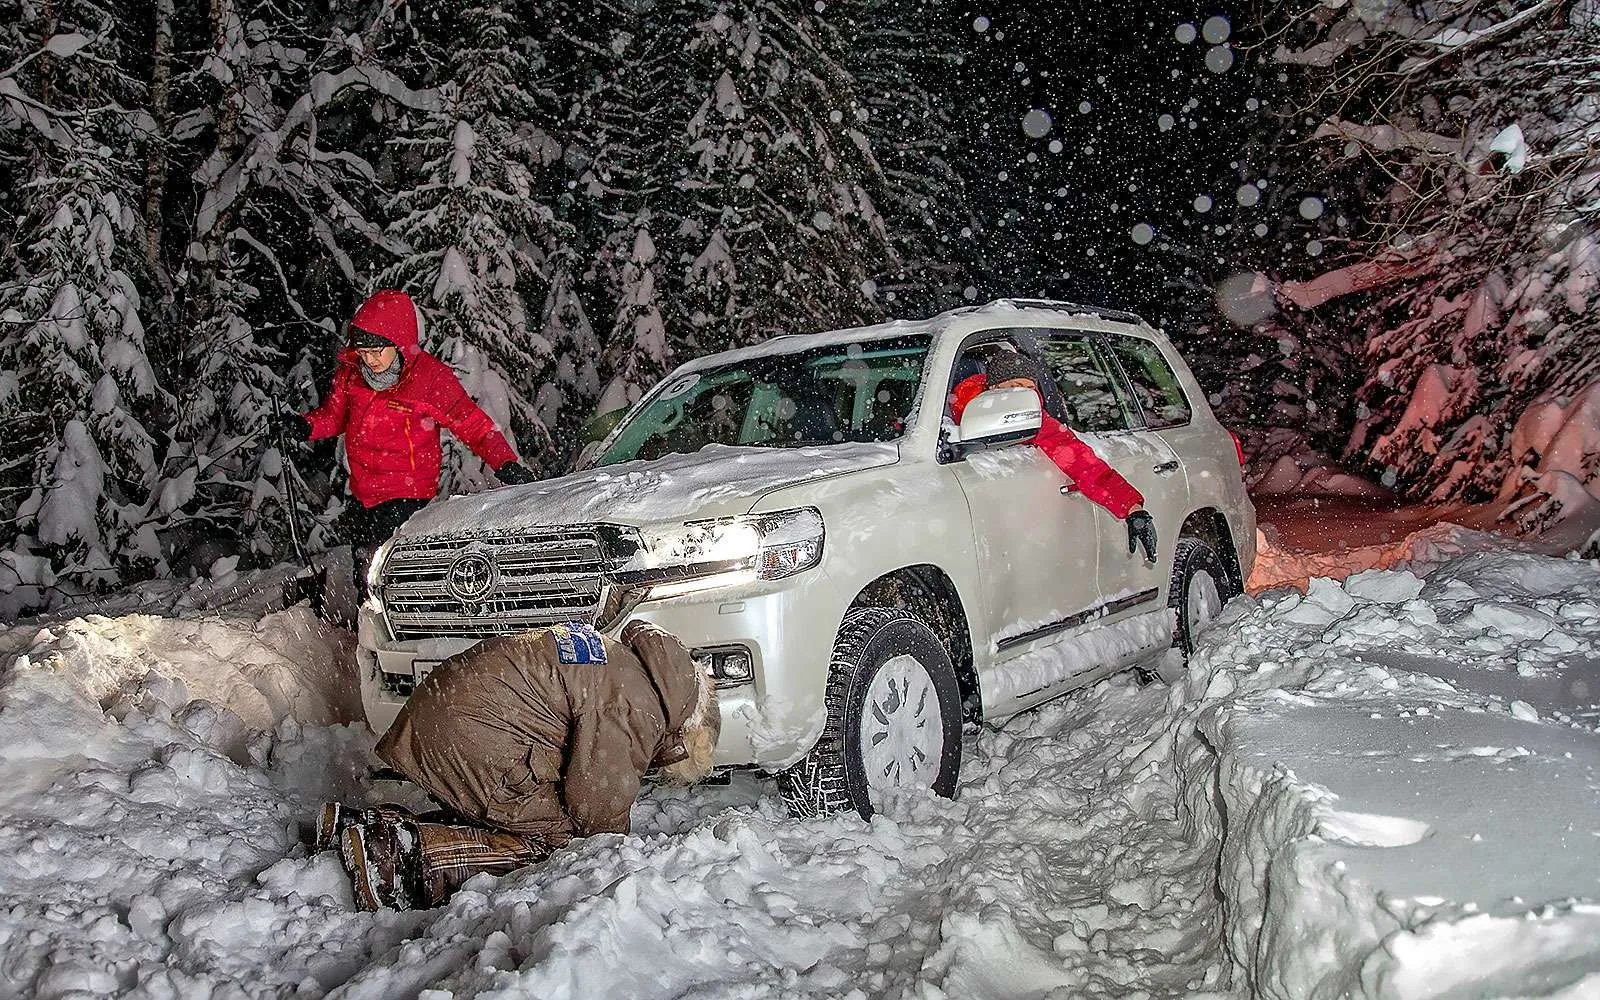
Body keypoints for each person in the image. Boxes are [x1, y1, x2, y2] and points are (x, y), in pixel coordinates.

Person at [315, 620, 720, 911]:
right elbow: (595, 801)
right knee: (559, 840)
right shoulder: (638, 704)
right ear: (687, 732)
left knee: (517, 814)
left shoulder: (621, 663)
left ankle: (360, 825)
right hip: (472, 731)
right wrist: (618, 855)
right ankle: (395, 861)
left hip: (449, 710)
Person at [274, 289, 537, 588]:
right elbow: (335, 417)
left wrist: (504, 461)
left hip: (406, 494)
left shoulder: (429, 379)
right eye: (364, 352)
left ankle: (402, 627)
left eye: (377, 352)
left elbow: (472, 424)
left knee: (390, 572)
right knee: (365, 572)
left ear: (398, 343)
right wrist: (304, 426)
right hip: (363, 491)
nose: (369, 360)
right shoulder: (352, 374)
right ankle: (367, 627)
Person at [949, 349, 1158, 562]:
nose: (1022, 396)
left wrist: (1132, 508)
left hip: (1020, 543)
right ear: (992, 388)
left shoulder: (1035, 418)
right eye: (1014, 387)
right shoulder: (946, 417)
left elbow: (1083, 463)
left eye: (1029, 389)